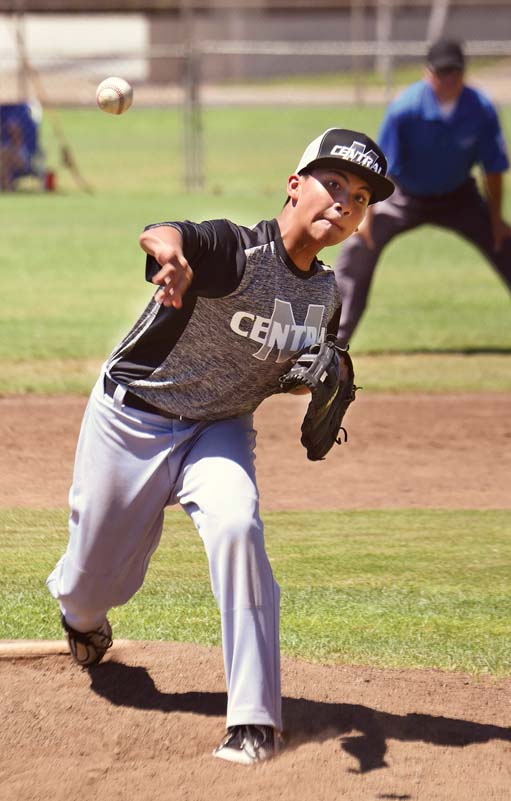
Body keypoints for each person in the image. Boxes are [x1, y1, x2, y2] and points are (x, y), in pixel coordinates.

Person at [46, 128, 395, 766]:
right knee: (90, 585)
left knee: (238, 526)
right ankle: (82, 620)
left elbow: (291, 370)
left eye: (360, 197)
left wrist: (323, 376)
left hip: (220, 429)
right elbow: (163, 232)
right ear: (295, 186)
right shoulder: (235, 251)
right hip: (133, 418)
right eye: (333, 184)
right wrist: (170, 258)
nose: (345, 202)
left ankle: (254, 721)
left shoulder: (325, 297)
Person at [334, 38, 511, 355]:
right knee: (357, 249)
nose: (449, 80)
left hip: (459, 196)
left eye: (455, 72)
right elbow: (382, 170)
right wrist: (367, 221)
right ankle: (334, 344)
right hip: (404, 195)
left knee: (508, 246)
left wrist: (497, 220)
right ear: (427, 73)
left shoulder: (481, 109)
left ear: (464, 73)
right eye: (441, 72)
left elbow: (493, 169)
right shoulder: (405, 109)